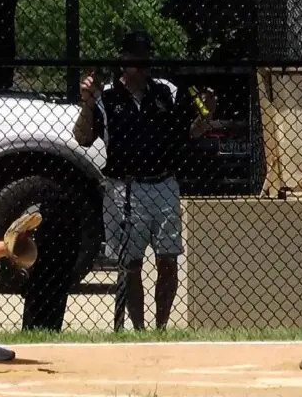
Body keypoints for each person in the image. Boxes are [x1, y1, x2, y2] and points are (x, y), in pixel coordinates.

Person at [73, 28, 215, 330]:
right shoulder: (107, 98)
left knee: (168, 259)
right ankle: (138, 330)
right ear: (123, 62)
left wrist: (205, 117)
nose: (142, 67)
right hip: (125, 187)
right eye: (135, 60)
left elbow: (188, 133)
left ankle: (160, 327)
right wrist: (86, 102)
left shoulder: (166, 92)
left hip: (163, 184)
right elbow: (83, 137)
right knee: (131, 264)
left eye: (146, 60)